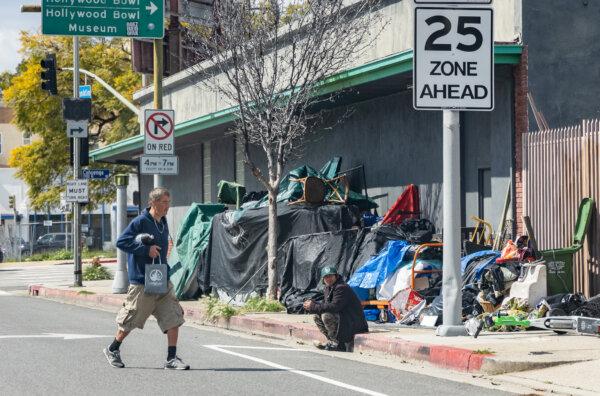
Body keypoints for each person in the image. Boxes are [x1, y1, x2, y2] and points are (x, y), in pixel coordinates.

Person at [103, 187, 189, 370]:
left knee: (174, 316)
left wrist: (168, 278)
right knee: (131, 319)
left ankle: (171, 359)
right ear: (153, 203)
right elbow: (122, 242)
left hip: (161, 279)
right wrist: (145, 250)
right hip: (142, 280)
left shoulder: (163, 222)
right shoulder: (140, 222)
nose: (167, 206)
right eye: (164, 202)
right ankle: (113, 349)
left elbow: (162, 255)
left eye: (168, 202)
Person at [303, 266, 368, 352]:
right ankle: (332, 341)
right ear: (323, 279)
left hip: (353, 323)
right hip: (344, 320)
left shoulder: (341, 287)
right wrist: (312, 304)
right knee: (317, 316)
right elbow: (327, 305)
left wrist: (314, 306)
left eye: (330, 276)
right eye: (326, 277)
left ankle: (338, 344)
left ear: (336, 276)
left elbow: (335, 307)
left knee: (326, 315)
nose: (328, 279)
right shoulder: (328, 288)